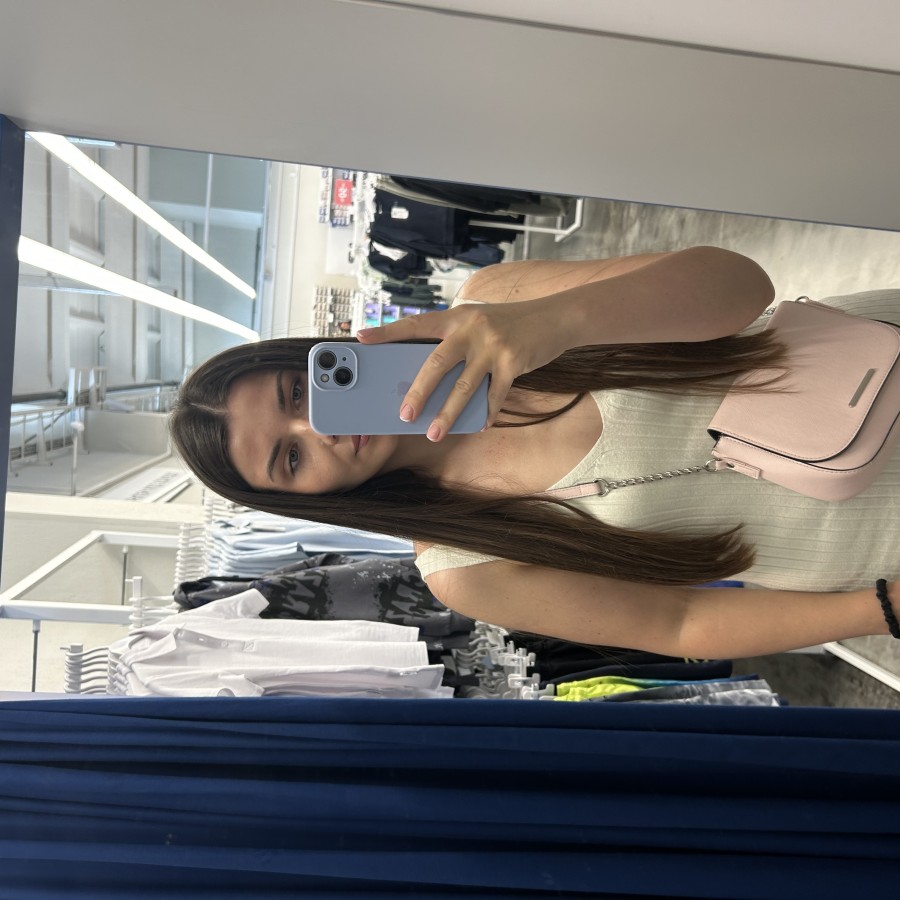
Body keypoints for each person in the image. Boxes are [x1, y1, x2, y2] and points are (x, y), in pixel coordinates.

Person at [169, 246, 900, 660]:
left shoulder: (493, 299)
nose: (318, 433)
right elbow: (679, 623)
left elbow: (742, 286)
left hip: (879, 364)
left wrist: (552, 321)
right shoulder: (464, 566)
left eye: (298, 396)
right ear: (303, 502)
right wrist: (878, 611)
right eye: (291, 460)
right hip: (876, 537)